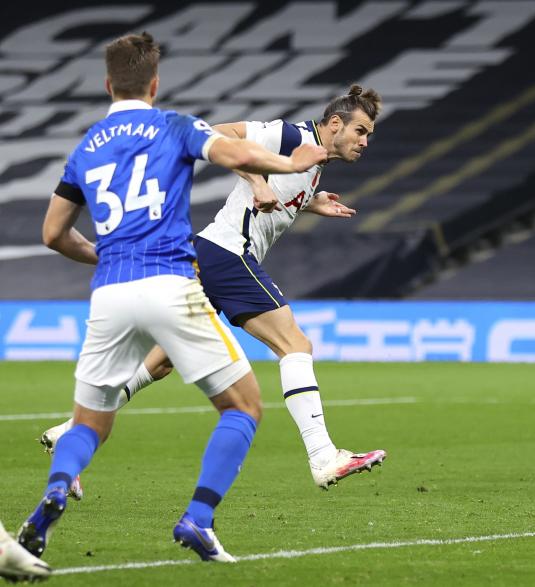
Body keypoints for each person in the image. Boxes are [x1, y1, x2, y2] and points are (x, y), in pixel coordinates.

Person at [15, 32, 327, 564]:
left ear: (107, 84)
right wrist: (294, 167)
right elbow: (236, 151)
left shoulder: (86, 145)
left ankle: (60, 485)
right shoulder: (175, 125)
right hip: (173, 282)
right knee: (243, 406)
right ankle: (198, 519)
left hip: (110, 291)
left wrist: (105, 254)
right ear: (154, 85)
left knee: (88, 422)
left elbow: (52, 235)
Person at [38, 85, 386, 494]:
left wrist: (312, 200)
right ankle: (324, 456)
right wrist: (256, 183)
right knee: (295, 345)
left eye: (368, 135)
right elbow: (221, 135)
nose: (364, 141)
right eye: (360, 131)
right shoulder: (291, 136)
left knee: (161, 362)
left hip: (208, 256)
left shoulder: (311, 161)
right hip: (228, 255)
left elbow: (280, 188)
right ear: (333, 124)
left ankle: (70, 434)